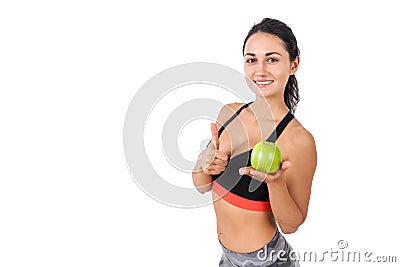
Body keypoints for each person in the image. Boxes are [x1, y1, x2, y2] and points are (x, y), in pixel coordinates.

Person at [192, 18, 317, 266]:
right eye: (252, 60)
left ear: (294, 64)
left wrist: (276, 183)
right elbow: (202, 186)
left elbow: (291, 225)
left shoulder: (298, 139)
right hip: (227, 258)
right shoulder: (229, 114)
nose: (260, 70)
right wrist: (203, 162)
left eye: (272, 59)